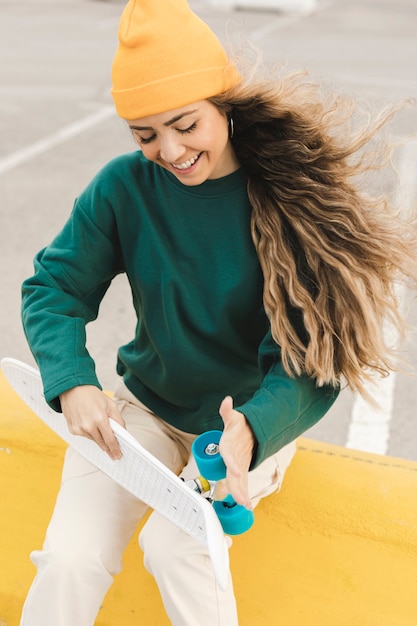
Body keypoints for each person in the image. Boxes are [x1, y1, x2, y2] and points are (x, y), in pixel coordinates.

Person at [19, 1, 417, 625]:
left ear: (224, 105)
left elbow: (313, 360)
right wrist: (71, 381)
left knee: (176, 548)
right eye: (144, 135)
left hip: (246, 430)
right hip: (147, 412)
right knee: (71, 558)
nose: (170, 150)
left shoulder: (287, 200)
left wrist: (252, 433)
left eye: (185, 124)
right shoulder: (122, 189)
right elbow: (54, 287)